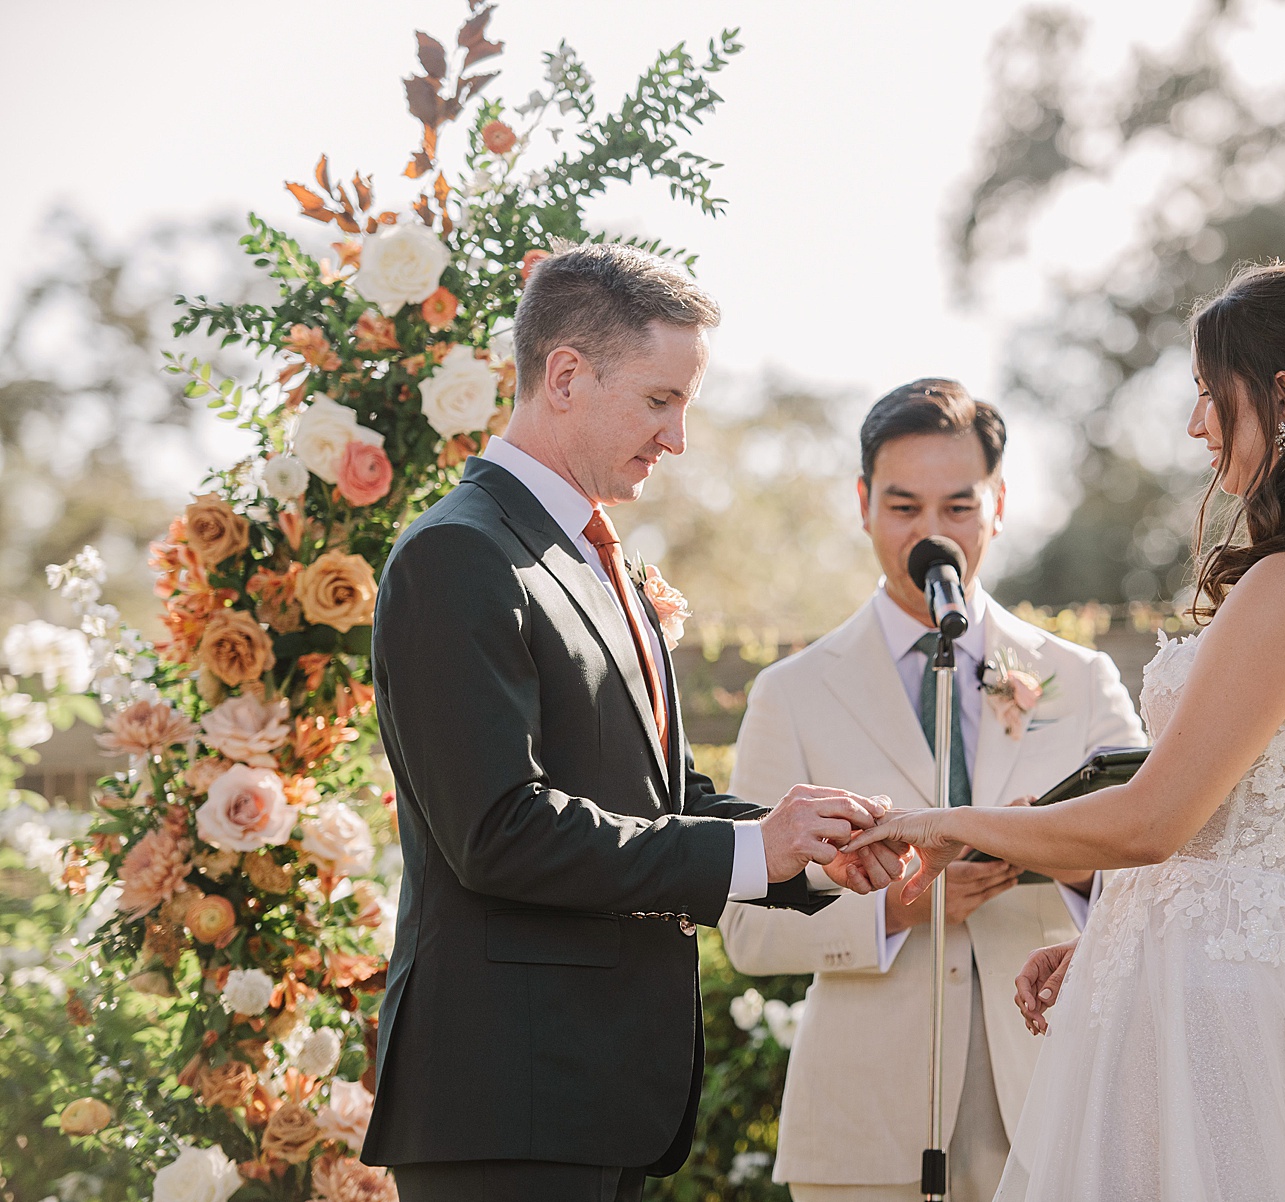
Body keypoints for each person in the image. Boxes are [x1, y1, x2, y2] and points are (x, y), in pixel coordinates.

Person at [846, 263, 1285, 1200]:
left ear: (1279, 396)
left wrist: (954, 824)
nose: (1197, 423)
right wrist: (1118, 941)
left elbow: (1153, 821)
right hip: (1207, 996)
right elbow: (1226, 840)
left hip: (1225, 1030)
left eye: (1208, 393)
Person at [363, 243, 902, 1202]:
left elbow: (656, 797)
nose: (678, 438)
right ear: (565, 375)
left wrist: (804, 848)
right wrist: (749, 856)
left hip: (597, 1095)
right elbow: (500, 831)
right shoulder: (459, 556)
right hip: (506, 1098)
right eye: (661, 401)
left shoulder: (592, 557)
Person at [719, 380, 1145, 1202]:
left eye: (957, 507)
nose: (930, 534)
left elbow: (1157, 870)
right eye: (904, 506)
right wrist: (902, 909)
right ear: (864, 504)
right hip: (865, 1122)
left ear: (999, 503)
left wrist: (1067, 860)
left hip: (1055, 1101)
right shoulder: (793, 692)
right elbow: (747, 929)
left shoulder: (1081, 679)